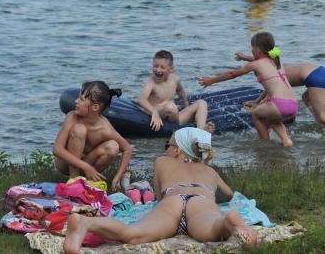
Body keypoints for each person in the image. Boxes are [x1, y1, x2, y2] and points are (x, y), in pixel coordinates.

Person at [63, 127, 257, 254]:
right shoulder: (209, 170)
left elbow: (158, 194)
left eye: (168, 145)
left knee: (134, 234)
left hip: (172, 201)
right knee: (212, 230)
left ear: (178, 150)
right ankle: (229, 223)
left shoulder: (162, 162)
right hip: (201, 200)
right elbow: (228, 195)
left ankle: (85, 223)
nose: (166, 149)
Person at [199, 32, 298, 147]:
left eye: (252, 47)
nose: (251, 50)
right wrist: (244, 57)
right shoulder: (277, 61)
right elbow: (263, 66)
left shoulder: (256, 64)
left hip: (280, 105)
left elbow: (232, 74)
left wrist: (212, 80)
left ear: (258, 49)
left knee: (256, 114)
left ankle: (265, 145)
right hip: (293, 104)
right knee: (270, 117)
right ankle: (286, 141)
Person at [235, 53, 325, 131]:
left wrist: (257, 104)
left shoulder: (272, 74)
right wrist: (244, 57)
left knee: (322, 117)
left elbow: (271, 93)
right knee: (307, 99)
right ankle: (324, 124)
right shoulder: (276, 65)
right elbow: (261, 64)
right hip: (319, 70)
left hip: (314, 78)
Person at [53, 81, 133, 192]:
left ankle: (88, 181)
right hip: (66, 164)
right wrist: (86, 167)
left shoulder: (105, 129)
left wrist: (117, 178)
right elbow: (57, 149)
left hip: (88, 165)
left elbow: (127, 149)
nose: (76, 101)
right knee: (79, 129)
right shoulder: (72, 116)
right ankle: (74, 180)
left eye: (81, 99)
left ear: (95, 107)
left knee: (113, 146)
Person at [138, 50, 214, 132]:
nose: (158, 70)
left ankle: (200, 130)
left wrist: (186, 106)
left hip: (174, 117)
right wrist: (154, 113)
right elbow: (142, 100)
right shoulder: (151, 82)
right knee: (170, 106)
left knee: (201, 103)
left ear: (171, 69)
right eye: (155, 66)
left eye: (162, 67)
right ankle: (197, 124)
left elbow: (181, 91)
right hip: (156, 113)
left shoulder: (175, 79)